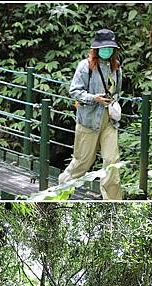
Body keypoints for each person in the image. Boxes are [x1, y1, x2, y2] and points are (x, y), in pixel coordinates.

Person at [58, 28, 123, 200]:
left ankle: (113, 202)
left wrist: (112, 102)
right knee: (82, 162)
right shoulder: (85, 67)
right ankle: (62, 188)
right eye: (104, 48)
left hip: (109, 121)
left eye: (110, 48)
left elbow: (117, 91)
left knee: (112, 162)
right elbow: (75, 90)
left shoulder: (116, 68)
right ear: (96, 49)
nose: (107, 51)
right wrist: (94, 98)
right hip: (88, 120)